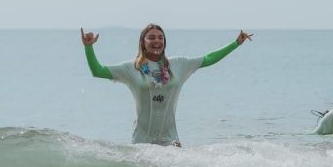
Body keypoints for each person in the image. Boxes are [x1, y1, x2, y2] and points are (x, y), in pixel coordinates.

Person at [80, 24, 252, 146]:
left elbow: (208, 59)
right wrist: (89, 48)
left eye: (161, 37)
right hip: (141, 144)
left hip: (171, 143)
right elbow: (98, 71)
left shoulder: (179, 64)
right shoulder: (131, 68)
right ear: (143, 42)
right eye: (152, 37)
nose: (157, 41)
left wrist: (236, 43)